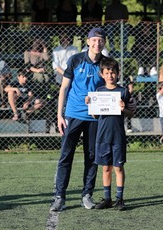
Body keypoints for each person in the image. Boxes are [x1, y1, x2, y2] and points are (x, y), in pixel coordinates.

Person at [50, 27, 107, 212]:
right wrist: (60, 115)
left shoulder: (107, 63)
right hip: (73, 115)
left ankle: (87, 194)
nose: (97, 43)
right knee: (66, 156)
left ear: (104, 43)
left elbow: (111, 89)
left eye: (100, 40)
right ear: (88, 41)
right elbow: (64, 88)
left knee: (91, 157)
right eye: (94, 40)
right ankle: (60, 196)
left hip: (95, 118)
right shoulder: (75, 59)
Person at [85, 57, 135, 211]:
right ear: (102, 74)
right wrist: (90, 104)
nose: (110, 75)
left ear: (117, 74)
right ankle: (107, 199)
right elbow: (94, 115)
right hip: (102, 136)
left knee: (118, 168)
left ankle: (119, 199)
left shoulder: (123, 92)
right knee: (105, 168)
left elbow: (131, 113)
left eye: (113, 72)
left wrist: (123, 109)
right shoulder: (99, 92)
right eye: (107, 72)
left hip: (118, 136)